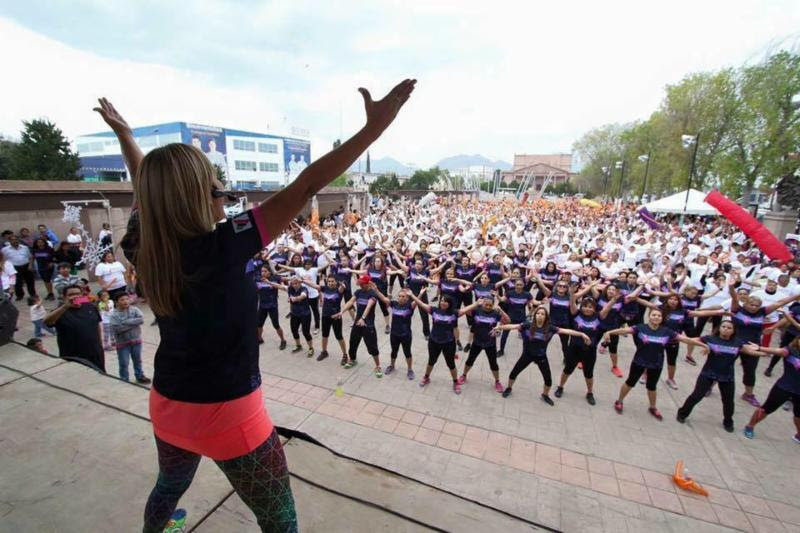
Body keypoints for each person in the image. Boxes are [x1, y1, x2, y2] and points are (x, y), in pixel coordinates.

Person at [93, 79, 415, 531]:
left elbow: (149, 194)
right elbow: (305, 186)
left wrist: (127, 138)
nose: (223, 196)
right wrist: (371, 133)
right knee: (278, 517)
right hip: (230, 417)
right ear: (197, 196)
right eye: (217, 188)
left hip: (168, 404)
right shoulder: (228, 243)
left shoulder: (143, 243)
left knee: (168, 487)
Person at [603, 308, 707, 420]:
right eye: (654, 315)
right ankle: (619, 401)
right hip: (639, 361)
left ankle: (653, 407)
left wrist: (704, 345)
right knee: (630, 382)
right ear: (649, 316)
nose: (656, 317)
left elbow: (686, 339)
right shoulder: (640, 328)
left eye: (659, 315)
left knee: (652, 387)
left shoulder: (667, 331)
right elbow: (624, 331)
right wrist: (609, 332)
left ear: (662, 318)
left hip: (656, 364)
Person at [676, 319, 764, 432]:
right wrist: (675, 336)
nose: (726, 329)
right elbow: (690, 340)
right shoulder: (710, 339)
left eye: (729, 328)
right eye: (724, 327)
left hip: (727, 377)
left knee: (728, 401)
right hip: (708, 373)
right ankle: (682, 413)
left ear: (733, 331)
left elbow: (751, 351)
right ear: (719, 328)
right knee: (696, 396)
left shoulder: (738, 342)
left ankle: (728, 422)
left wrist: (766, 352)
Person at [496, 306, 590, 405]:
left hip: (541, 357)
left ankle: (545, 395)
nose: (540, 316)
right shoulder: (527, 325)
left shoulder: (550, 328)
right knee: (514, 373)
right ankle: (509, 388)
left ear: (546, 317)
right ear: (535, 315)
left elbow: (566, 331)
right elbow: (513, 326)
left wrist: (581, 334)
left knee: (548, 379)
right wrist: (500, 327)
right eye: (538, 313)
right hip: (527, 355)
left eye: (542, 314)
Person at [408, 292, 473, 394]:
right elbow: (420, 303)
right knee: (431, 361)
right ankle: (426, 377)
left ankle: (455, 382)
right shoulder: (433, 310)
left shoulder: (454, 313)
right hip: (434, 341)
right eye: (442, 300)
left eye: (446, 302)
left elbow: (466, 309)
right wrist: (412, 295)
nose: (443, 303)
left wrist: (477, 303)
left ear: (450, 304)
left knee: (451, 364)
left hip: (449, 343)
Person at [44, 284, 105, 372]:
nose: (75, 296)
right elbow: (47, 321)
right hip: (74, 356)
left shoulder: (90, 307)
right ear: (64, 297)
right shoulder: (60, 311)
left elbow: (97, 325)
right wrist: (65, 306)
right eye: (70, 294)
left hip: (95, 353)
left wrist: (100, 345)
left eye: (77, 293)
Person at [456, 297, 508, 391]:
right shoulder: (477, 311)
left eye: (490, 305)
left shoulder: (496, 314)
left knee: (494, 364)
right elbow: (463, 311)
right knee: (469, 361)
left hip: (490, 343)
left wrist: (501, 310)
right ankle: (464, 376)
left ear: (493, 305)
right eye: (486, 304)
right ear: (482, 303)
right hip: (477, 342)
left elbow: (508, 321)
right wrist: (475, 304)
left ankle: (497, 381)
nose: (488, 307)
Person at [336, 275, 382, 375]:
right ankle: (352, 360)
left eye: (362, 284)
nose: (360, 285)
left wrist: (363, 318)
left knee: (372, 346)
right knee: (353, 342)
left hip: (368, 324)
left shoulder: (372, 294)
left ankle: (378, 366)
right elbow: (350, 302)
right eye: (359, 283)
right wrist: (341, 312)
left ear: (368, 283)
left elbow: (369, 306)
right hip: (357, 322)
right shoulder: (358, 292)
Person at [373, 285, 416, 378]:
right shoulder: (394, 304)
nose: (400, 298)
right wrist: (376, 290)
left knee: (407, 352)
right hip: (394, 334)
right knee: (394, 351)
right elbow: (384, 298)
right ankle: (392, 366)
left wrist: (413, 295)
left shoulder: (410, 306)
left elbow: (417, 302)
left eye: (403, 296)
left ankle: (410, 369)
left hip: (406, 335)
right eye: (399, 296)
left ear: (407, 298)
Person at [110, 293, 150, 383]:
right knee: (124, 363)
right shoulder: (113, 315)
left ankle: (139, 376)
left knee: (138, 360)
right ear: (116, 302)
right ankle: (124, 379)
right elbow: (117, 329)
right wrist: (133, 324)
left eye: (127, 299)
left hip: (136, 341)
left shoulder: (134, 309)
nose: (125, 301)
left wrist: (125, 322)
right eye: (122, 299)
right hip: (122, 344)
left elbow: (141, 319)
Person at [255, 265, 287, 350]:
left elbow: (283, 283)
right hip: (262, 306)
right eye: (262, 271)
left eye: (265, 271)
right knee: (259, 325)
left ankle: (283, 340)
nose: (263, 273)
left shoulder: (275, 278)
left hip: (272, 306)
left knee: (276, 325)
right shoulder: (258, 279)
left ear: (269, 271)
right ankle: (259, 339)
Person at [3, 234, 36, 301]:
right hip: (14, 267)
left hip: (26, 266)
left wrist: (30, 265)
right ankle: (20, 295)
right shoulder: (5, 250)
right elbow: (3, 260)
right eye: (13, 240)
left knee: (30, 281)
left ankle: (32, 294)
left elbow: (30, 257)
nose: (15, 241)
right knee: (17, 282)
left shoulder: (24, 247)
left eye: (16, 239)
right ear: (9, 241)